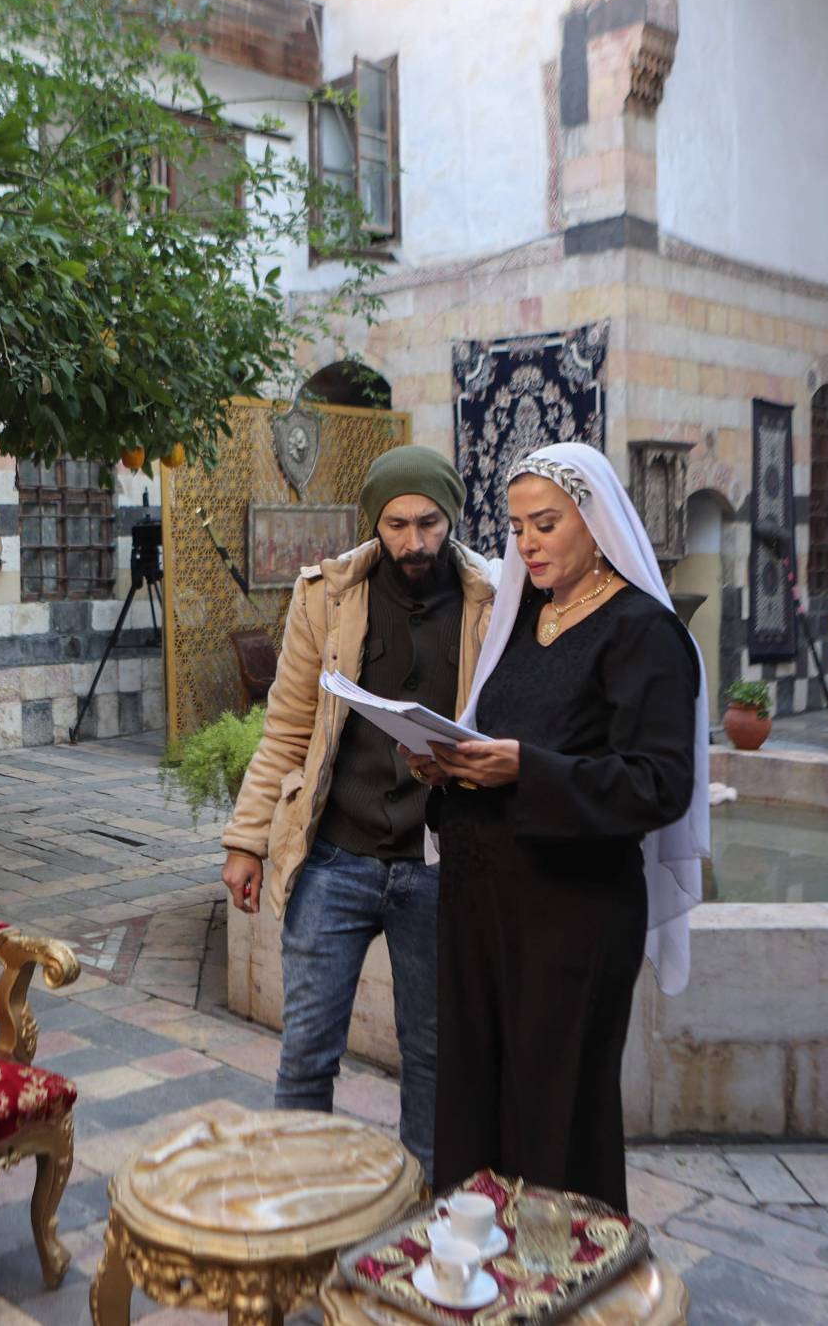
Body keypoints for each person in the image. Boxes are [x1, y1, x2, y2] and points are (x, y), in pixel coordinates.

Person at [413, 444, 707, 1214]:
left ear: (594, 520)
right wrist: (449, 767)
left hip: (572, 917)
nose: (527, 543)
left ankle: (562, 1274)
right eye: (515, 528)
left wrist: (526, 770)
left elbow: (660, 782)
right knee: (477, 1099)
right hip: (481, 908)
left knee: (554, 1110)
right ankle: (481, 1261)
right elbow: (500, 738)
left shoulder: (643, 632)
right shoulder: (523, 621)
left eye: (545, 523)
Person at [220, 446, 497, 1174]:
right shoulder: (329, 595)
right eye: (398, 523)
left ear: (453, 518)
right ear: (375, 521)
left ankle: (425, 1208)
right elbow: (285, 727)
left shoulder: (492, 601)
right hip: (335, 858)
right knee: (308, 1048)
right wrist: (247, 841)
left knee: (434, 1055)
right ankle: (301, 1196)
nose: (414, 541)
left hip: (435, 863)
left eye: (430, 523)